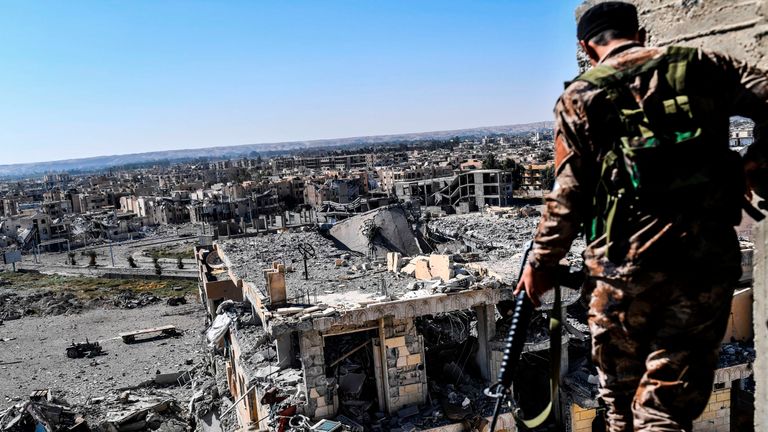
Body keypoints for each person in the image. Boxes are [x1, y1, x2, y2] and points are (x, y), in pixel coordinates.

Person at [514, 2, 768, 431]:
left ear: (586, 47)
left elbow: (568, 195)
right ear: (641, 33)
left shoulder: (581, 95)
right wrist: (756, 162)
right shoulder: (703, 65)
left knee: (621, 409)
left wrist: (541, 265)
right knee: (665, 407)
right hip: (702, 265)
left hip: (621, 272)